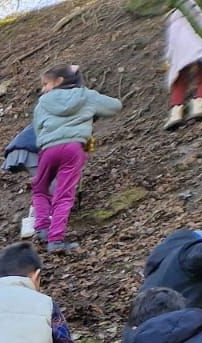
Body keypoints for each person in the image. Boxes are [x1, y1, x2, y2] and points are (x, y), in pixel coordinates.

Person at [31, 64, 122, 254]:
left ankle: (42, 228)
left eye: (46, 84)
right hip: (74, 148)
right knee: (64, 194)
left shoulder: (43, 102)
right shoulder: (86, 95)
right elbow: (115, 106)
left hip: (48, 149)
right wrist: (92, 112)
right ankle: (56, 240)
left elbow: (38, 128)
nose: (43, 89)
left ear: (59, 81)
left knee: (40, 188)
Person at [164, 1, 202, 130]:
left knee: (180, 79)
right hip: (198, 48)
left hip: (180, 54)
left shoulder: (174, 20)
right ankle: (199, 104)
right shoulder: (195, 11)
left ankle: (175, 113)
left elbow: (171, 44)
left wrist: (169, 58)